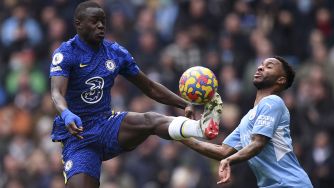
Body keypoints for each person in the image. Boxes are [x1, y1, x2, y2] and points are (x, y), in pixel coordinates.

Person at [49, 1, 223, 188]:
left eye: (103, 21)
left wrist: (184, 104)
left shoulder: (115, 53)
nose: (100, 26)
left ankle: (200, 128)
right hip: (79, 137)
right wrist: (66, 113)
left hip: (107, 124)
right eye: (94, 21)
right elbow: (57, 93)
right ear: (78, 23)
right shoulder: (66, 53)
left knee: (151, 120)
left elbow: (149, 86)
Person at [182, 56, 313, 187]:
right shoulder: (248, 118)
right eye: (261, 64)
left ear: (281, 80)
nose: (260, 67)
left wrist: (229, 159)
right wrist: (182, 136)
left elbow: (258, 143)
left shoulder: (273, 102)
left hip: (292, 184)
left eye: (269, 66)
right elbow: (222, 151)